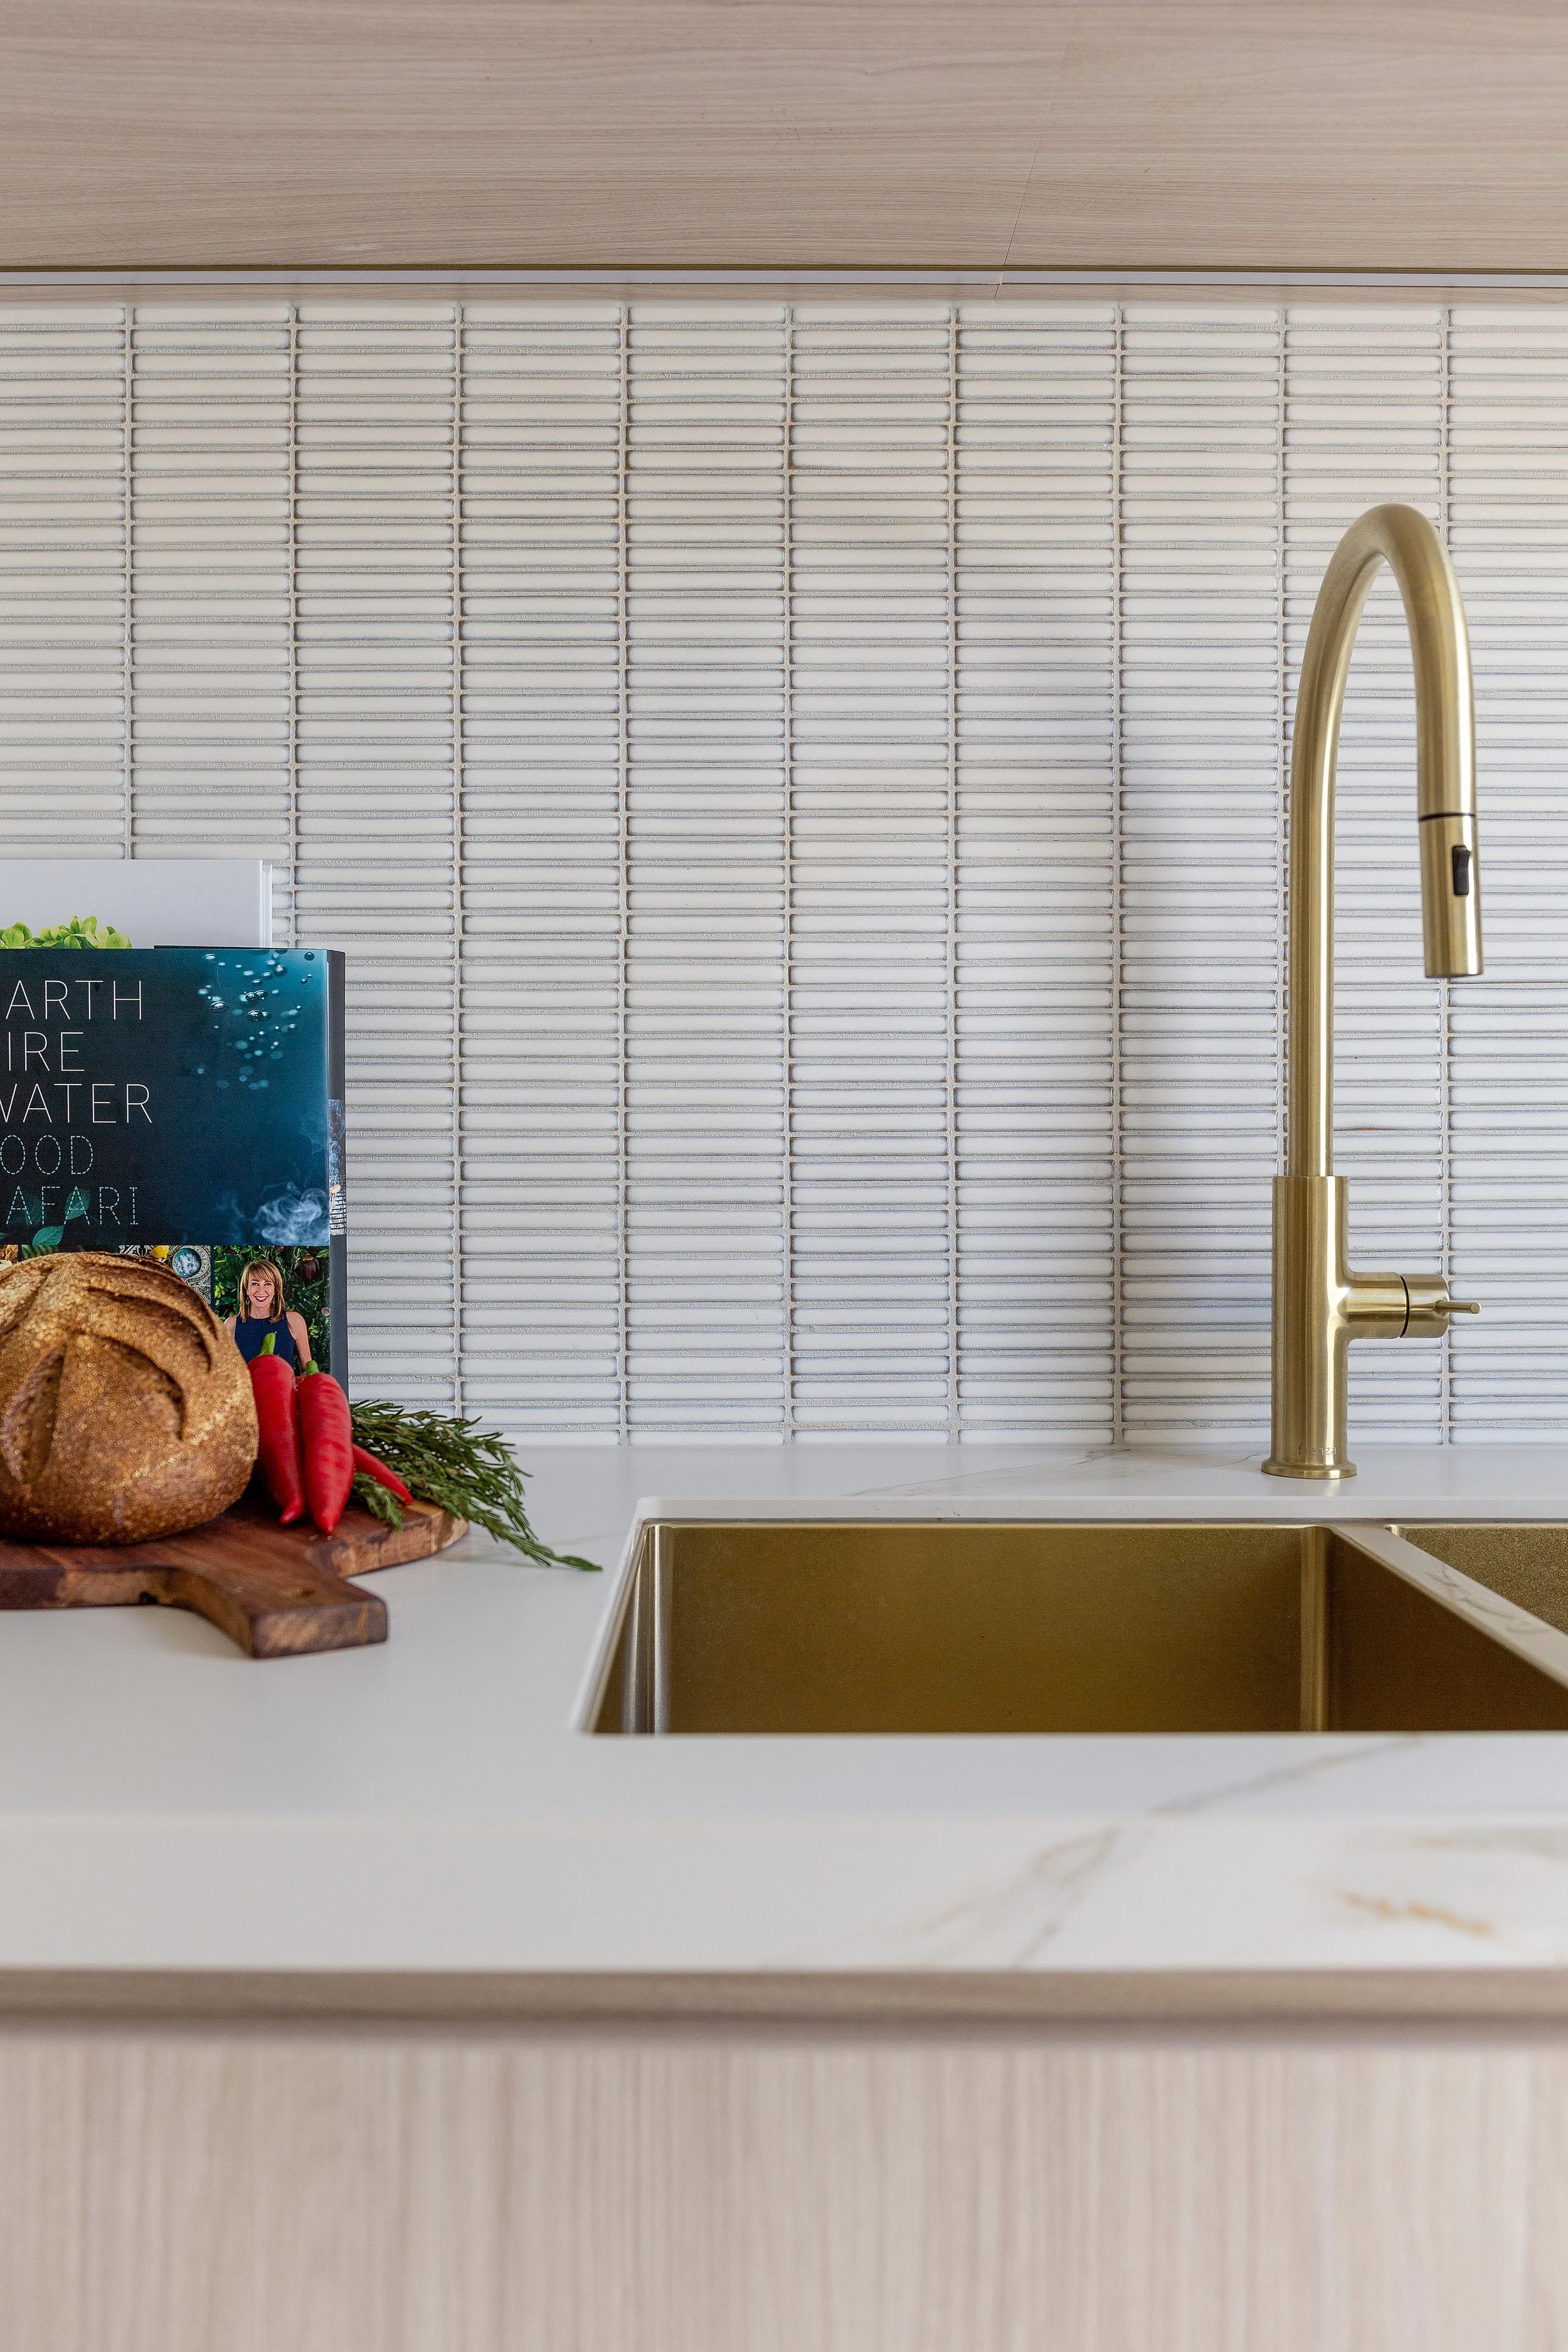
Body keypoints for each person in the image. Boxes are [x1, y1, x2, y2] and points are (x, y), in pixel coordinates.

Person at [225, 1258, 312, 1374]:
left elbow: (307, 1371)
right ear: (246, 1289)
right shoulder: (231, 1326)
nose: (261, 1291)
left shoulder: (294, 1321)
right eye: (255, 1284)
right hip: (247, 1392)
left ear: (276, 1289)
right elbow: (224, 1374)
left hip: (284, 1392)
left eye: (267, 1284)